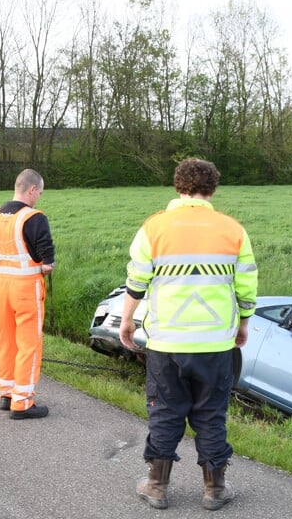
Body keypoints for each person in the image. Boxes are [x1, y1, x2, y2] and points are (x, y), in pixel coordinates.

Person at [118, 158, 257, 511]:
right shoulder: (233, 229)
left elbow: (137, 281)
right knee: (211, 414)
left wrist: (127, 321)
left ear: (177, 186)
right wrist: (243, 323)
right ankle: (215, 490)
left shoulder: (154, 228)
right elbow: (246, 285)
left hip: (167, 342)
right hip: (215, 343)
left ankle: (156, 487)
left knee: (165, 411)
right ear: (212, 189)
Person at [0, 169, 56, 420]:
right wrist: (42, 267)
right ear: (31, 189)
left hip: (1, 285)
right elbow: (47, 262)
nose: (39, 198)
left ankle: (6, 393)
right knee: (29, 343)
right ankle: (22, 402)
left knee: (5, 339)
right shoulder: (34, 218)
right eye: (40, 193)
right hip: (27, 288)